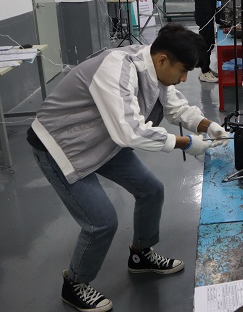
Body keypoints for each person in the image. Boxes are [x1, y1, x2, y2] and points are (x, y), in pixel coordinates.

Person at [26, 23, 230, 312]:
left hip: (103, 138)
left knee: (151, 190)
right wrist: (185, 143)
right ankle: (75, 284)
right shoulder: (116, 69)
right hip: (60, 145)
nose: (184, 79)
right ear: (163, 60)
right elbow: (131, 132)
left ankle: (140, 255)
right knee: (101, 222)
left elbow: (176, 107)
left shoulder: (155, 68)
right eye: (183, 71)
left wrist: (208, 126)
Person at [193, 0, 235, 83]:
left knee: (209, 42)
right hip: (204, 14)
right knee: (206, 43)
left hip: (207, 13)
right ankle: (204, 72)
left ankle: (205, 69)